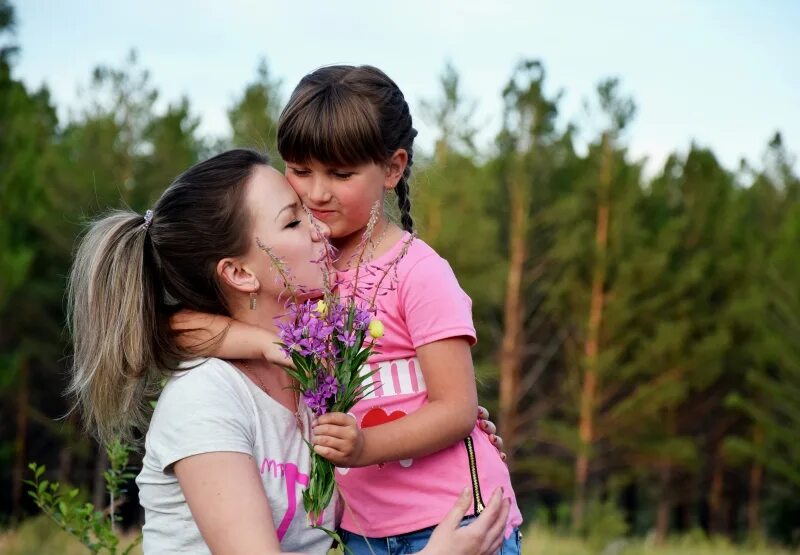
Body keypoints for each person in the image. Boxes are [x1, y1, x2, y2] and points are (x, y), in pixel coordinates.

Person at [67, 149, 510, 554]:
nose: (322, 229)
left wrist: (457, 442)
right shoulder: (204, 399)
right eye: (294, 221)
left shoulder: (314, 381)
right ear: (239, 272)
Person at [188, 65, 524, 553]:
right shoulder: (300, 270)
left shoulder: (418, 271)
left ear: (392, 169)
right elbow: (177, 328)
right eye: (301, 171)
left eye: (341, 174)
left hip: (454, 520)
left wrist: (364, 447)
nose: (317, 192)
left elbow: (456, 408)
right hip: (362, 529)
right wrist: (268, 344)